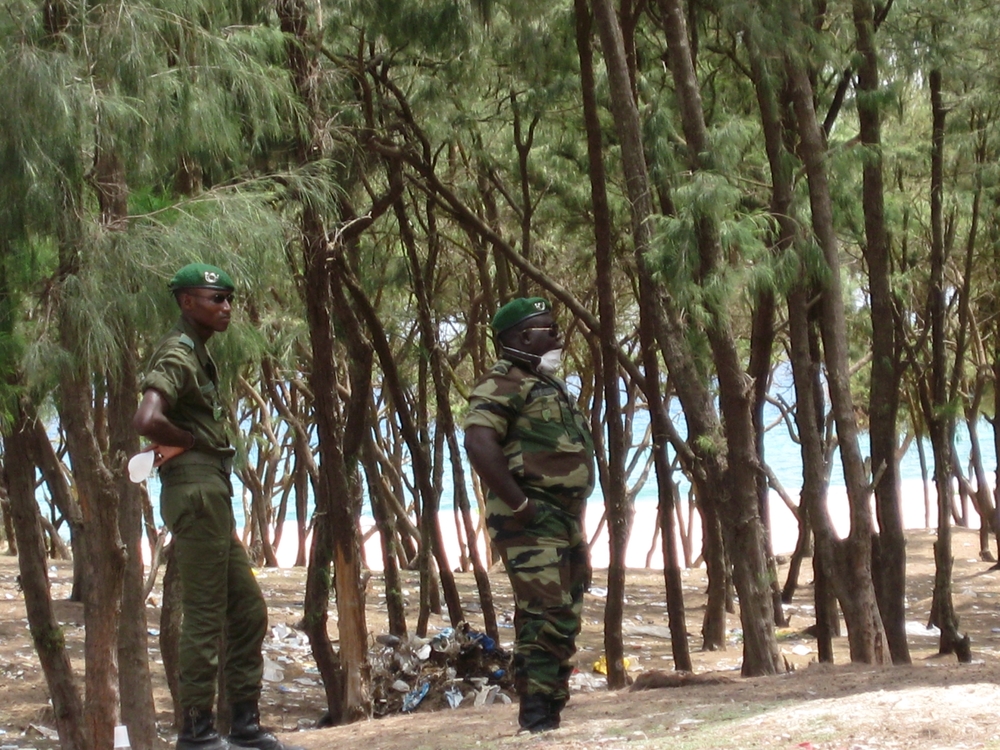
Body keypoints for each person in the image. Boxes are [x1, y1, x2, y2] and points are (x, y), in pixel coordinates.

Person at [133, 263, 301, 750]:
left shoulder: (197, 353)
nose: (226, 307)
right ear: (187, 302)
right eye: (215, 299)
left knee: (248, 610)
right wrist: (185, 439)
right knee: (205, 616)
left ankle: (244, 725)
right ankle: (197, 733)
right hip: (196, 488)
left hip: (211, 490)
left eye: (228, 298)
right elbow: (147, 418)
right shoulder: (178, 351)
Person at [463, 297, 595, 733]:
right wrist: (521, 504)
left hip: (561, 520)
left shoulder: (545, 383)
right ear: (521, 338)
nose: (558, 338)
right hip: (530, 521)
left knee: (563, 616)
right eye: (549, 330)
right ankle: (536, 720)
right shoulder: (502, 382)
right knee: (544, 615)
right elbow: (479, 442)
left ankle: (550, 713)